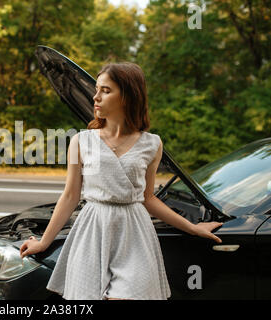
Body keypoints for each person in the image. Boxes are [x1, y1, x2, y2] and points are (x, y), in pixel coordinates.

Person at [20, 63, 223, 300]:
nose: (96, 97)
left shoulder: (152, 144)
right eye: (97, 89)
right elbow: (70, 196)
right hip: (93, 230)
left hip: (134, 235)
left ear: (127, 96)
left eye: (105, 91)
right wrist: (44, 242)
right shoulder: (81, 141)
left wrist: (193, 228)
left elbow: (148, 198)